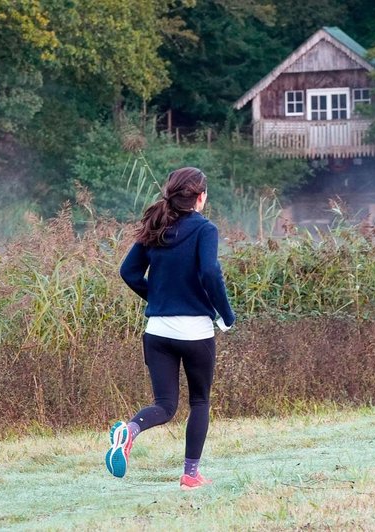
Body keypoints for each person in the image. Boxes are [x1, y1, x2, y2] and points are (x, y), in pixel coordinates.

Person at [108, 167, 236, 490]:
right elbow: (210, 271)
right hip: (195, 334)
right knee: (199, 402)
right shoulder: (206, 229)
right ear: (201, 197)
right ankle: (191, 475)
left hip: (158, 332)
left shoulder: (156, 225)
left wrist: (160, 298)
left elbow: (128, 271)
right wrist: (226, 315)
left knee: (164, 405)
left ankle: (130, 431)